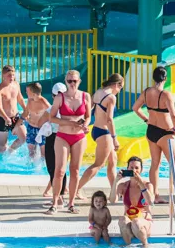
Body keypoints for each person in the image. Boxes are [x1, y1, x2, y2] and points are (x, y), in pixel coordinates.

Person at [133, 65, 175, 206]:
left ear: (153, 78)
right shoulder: (166, 94)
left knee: (155, 164)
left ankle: (155, 195)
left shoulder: (146, 92)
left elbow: (135, 108)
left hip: (151, 130)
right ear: (165, 78)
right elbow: (173, 115)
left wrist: (146, 120)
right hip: (165, 132)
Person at [46, 70, 91, 213]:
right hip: (62, 136)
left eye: (75, 81)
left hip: (79, 137)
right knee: (59, 170)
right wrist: (69, 123)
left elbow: (88, 116)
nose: (72, 83)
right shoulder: (60, 97)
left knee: (75, 170)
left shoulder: (85, 96)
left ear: (79, 81)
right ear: (66, 82)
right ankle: (55, 203)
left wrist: (85, 125)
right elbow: (52, 118)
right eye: (69, 81)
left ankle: (71, 203)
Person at [75, 73, 124, 199]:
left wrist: (83, 122)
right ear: (116, 85)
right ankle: (75, 189)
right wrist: (114, 138)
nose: (120, 91)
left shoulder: (99, 92)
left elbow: (89, 108)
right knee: (98, 164)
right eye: (120, 87)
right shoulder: (111, 97)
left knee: (113, 161)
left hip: (96, 130)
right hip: (104, 133)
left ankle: (114, 193)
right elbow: (109, 120)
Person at [116, 156, 152, 247]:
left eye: (136, 168)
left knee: (136, 222)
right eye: (131, 168)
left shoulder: (148, 185)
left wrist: (140, 183)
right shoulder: (123, 186)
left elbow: (151, 202)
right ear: (127, 169)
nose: (134, 170)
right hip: (128, 222)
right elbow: (112, 200)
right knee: (122, 219)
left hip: (143, 222)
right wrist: (115, 181)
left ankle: (145, 245)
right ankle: (128, 247)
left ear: (141, 170)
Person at [0, 64, 27, 154]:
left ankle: (10, 151)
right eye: (9, 75)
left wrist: (26, 110)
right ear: (3, 76)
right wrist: (6, 118)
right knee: (2, 145)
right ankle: (0, 160)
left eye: (13, 75)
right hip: (2, 118)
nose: (11, 77)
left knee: (24, 138)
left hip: (15, 117)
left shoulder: (16, 84)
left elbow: (20, 98)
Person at [22, 82, 50, 162]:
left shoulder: (44, 103)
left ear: (33, 93)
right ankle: (31, 167)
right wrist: (18, 123)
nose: (26, 92)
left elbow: (52, 113)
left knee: (43, 154)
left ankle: (43, 168)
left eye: (27, 91)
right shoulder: (30, 100)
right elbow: (26, 112)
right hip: (31, 128)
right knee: (31, 153)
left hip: (42, 130)